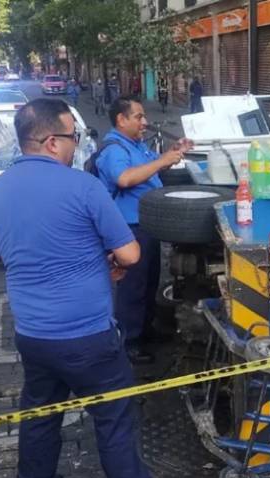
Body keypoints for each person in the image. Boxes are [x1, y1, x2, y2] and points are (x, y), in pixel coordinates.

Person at [0, 98, 189, 478]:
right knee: (114, 419)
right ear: (52, 141)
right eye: (73, 136)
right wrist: (95, 257)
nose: (77, 144)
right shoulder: (83, 188)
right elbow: (129, 253)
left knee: (39, 415)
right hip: (88, 336)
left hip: (32, 334)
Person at [95, 95, 192, 364]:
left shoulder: (134, 145)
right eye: (138, 116)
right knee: (132, 288)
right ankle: (129, 342)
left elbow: (152, 165)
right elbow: (125, 178)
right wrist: (163, 161)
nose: (145, 122)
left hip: (146, 225)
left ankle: (145, 330)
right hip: (129, 229)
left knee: (149, 281)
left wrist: (173, 151)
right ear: (121, 119)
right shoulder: (114, 149)